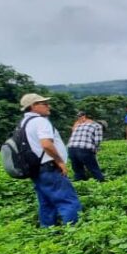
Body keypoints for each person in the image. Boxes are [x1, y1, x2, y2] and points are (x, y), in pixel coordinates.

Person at [18, 93, 82, 227]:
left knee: (46, 203)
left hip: (37, 170)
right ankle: (75, 233)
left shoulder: (23, 124)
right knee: (68, 201)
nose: (48, 106)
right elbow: (46, 144)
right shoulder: (40, 121)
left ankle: (48, 232)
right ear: (33, 106)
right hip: (49, 168)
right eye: (44, 104)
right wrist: (59, 162)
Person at [67, 111, 105, 182]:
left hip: (71, 149)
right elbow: (97, 141)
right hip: (84, 150)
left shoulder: (80, 125)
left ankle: (80, 187)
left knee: (78, 172)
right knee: (94, 169)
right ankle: (102, 183)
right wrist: (95, 151)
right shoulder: (98, 126)